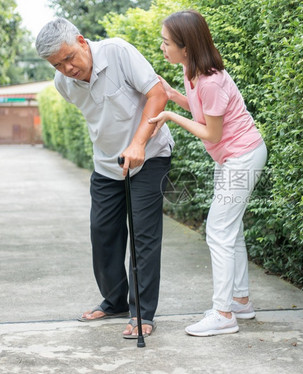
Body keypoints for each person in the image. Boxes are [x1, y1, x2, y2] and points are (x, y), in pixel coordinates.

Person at [35, 18, 174, 338]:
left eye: (69, 57)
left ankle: (142, 313)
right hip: (107, 164)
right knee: (103, 232)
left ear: (82, 41)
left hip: (150, 154)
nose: (67, 68)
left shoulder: (118, 52)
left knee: (143, 234)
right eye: (57, 64)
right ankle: (114, 302)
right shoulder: (63, 83)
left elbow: (157, 95)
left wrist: (138, 142)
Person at [149, 10, 267, 337]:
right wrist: (175, 96)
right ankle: (240, 301)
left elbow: (211, 133)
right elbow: (200, 109)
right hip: (231, 158)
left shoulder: (212, 80)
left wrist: (171, 114)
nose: (162, 47)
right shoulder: (191, 70)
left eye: (166, 42)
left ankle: (223, 313)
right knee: (230, 229)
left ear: (186, 47)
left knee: (218, 230)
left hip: (242, 157)